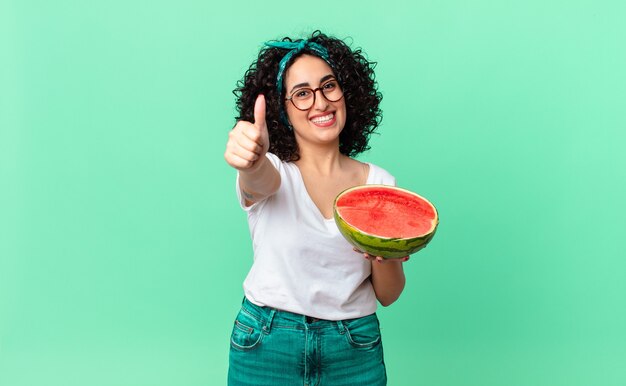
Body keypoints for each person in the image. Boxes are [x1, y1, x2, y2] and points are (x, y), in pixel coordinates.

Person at [224, 30, 410, 386]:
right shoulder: (275, 170)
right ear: (283, 110)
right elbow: (258, 180)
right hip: (267, 341)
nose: (320, 103)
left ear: (348, 93)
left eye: (329, 86)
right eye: (302, 94)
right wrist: (250, 161)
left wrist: (382, 254)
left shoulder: (380, 183)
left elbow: (388, 294)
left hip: (354, 346)